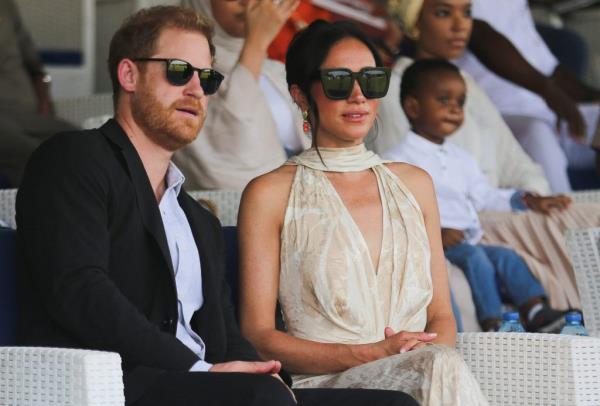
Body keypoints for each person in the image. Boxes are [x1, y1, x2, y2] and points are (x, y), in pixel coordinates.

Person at [16, 6, 418, 406]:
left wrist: (262, 373)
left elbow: (225, 337)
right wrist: (202, 371)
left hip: (210, 386)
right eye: (178, 71)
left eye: (207, 78)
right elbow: (80, 290)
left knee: (392, 403)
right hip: (115, 385)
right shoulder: (74, 158)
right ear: (129, 75)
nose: (195, 89)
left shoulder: (197, 220)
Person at [238, 19, 488, 405]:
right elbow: (258, 335)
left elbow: (441, 315)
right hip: (329, 387)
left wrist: (418, 359)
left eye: (371, 80)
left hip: (429, 374)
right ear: (302, 95)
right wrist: (370, 354)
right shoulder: (269, 193)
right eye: (339, 81)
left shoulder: (415, 184)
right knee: (440, 366)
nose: (358, 95)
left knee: (441, 363)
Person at [380, 0, 600, 311]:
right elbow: (404, 187)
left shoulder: (466, 86)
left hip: (503, 208)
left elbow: (517, 161)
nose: (460, 26)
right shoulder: (395, 91)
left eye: (467, 13)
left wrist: (532, 199)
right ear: (414, 23)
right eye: (444, 13)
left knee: (583, 215)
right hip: (466, 227)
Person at [383, 59, 566, 332]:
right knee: (475, 258)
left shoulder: (461, 158)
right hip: (437, 246)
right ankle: (492, 323)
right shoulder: (396, 161)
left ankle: (536, 310)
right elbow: (395, 213)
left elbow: (484, 196)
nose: (455, 109)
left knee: (506, 256)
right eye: (444, 100)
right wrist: (436, 233)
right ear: (413, 107)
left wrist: (525, 199)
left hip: (469, 239)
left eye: (460, 101)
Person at [454, 0, 600, 193]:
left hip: (550, 111)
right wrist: (549, 92)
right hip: (498, 116)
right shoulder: (461, 10)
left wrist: (591, 95)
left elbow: (547, 67)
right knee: (537, 132)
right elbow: (478, 34)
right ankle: (566, 219)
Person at [175, 0, 310, 190]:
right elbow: (230, 164)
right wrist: (257, 41)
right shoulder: (182, 74)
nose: (247, 3)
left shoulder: (275, 72)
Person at [0, 0, 76, 187]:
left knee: (79, 140)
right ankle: (40, 211)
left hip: (23, 110)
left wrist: (45, 101)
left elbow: (36, 68)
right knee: (31, 153)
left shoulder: (6, 6)